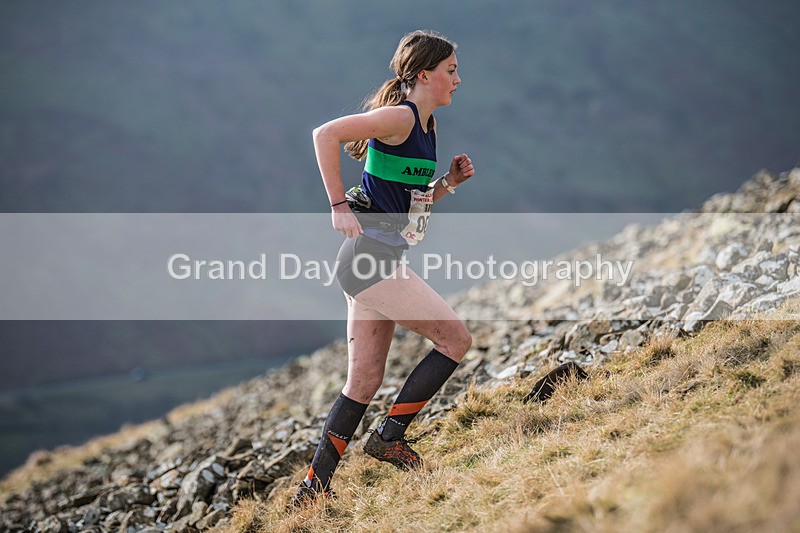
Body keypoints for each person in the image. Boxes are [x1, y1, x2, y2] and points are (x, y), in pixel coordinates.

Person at [292, 29, 476, 507]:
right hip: (370, 259)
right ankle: (390, 438)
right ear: (424, 75)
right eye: (451, 70)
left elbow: (408, 204)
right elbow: (324, 133)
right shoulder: (400, 117)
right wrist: (337, 203)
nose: (458, 79)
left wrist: (448, 184)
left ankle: (312, 491)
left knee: (363, 382)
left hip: (374, 258)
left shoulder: (427, 128)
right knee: (455, 339)